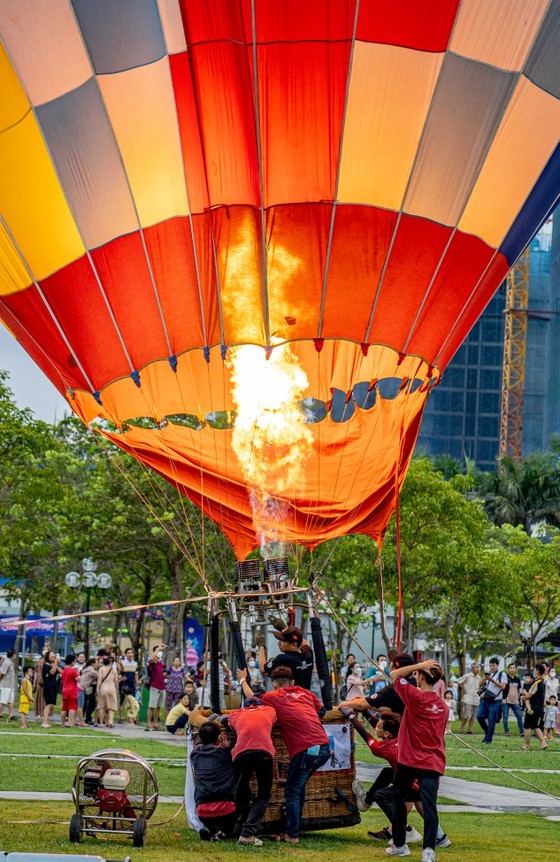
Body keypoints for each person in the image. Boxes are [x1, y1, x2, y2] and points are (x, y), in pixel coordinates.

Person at [239, 664, 329, 843]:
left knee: (292, 791)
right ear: (292, 681)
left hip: (304, 749)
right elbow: (323, 712)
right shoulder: (305, 693)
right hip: (324, 747)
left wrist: (243, 680)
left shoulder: (273, 696)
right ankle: (295, 828)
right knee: (298, 787)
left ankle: (292, 835)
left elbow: (252, 700)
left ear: (273, 683)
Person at [348, 709, 449, 849]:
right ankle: (440, 837)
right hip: (425, 780)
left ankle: (405, 830)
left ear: (387, 734)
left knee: (382, 795)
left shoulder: (386, 748)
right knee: (388, 772)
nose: (375, 727)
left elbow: (367, 736)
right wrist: (365, 712)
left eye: (378, 727)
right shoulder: (402, 735)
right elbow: (382, 727)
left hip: (415, 786)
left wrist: (351, 717)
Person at [386, 658, 448, 862]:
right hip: (432, 762)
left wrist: (418, 666)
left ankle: (400, 844)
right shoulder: (443, 706)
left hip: (410, 760)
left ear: (421, 677)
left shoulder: (414, 697)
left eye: (418, 674)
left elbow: (394, 675)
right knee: (429, 805)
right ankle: (428, 850)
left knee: (398, 797)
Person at [228, 694, 277, 845]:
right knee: (263, 794)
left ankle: (237, 826)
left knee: (240, 790)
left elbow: (230, 725)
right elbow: (274, 722)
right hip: (264, 752)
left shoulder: (235, 713)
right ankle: (247, 833)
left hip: (241, 752)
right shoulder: (269, 710)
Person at [190, 720, 236, 841]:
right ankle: (223, 832)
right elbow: (235, 735)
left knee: (212, 820)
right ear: (219, 737)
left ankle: (211, 829)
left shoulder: (195, 754)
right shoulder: (226, 753)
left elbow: (200, 743)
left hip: (202, 809)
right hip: (227, 808)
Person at [260, 626, 314, 691]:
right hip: (305, 698)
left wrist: (261, 646)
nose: (278, 643)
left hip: (288, 699)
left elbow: (262, 669)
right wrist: (285, 629)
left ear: (293, 645)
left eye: (282, 641)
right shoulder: (308, 653)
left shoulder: (283, 659)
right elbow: (302, 641)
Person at [476, 658, 506, 744]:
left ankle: (488, 739)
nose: (491, 667)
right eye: (490, 665)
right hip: (486, 698)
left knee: (491, 720)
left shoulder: (502, 674)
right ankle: (487, 732)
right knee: (479, 716)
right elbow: (480, 685)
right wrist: (485, 679)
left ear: (497, 665)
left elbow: (503, 687)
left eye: (493, 665)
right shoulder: (489, 673)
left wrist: (492, 680)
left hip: (495, 700)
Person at [521, 663, 548, 750]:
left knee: (527, 726)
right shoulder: (543, 682)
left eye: (535, 670)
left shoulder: (536, 683)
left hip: (532, 708)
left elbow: (529, 695)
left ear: (537, 671)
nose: (534, 671)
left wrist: (522, 697)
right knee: (535, 726)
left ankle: (527, 745)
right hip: (539, 708)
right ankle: (543, 742)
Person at [457, 663, 481, 734]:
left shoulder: (479, 677)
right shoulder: (467, 676)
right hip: (468, 697)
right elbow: (458, 681)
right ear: (472, 668)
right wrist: (463, 688)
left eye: (478, 667)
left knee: (473, 716)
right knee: (467, 715)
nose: (477, 669)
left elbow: (479, 686)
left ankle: (470, 729)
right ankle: (462, 728)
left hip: (476, 698)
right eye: (476, 667)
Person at [147, 644, 166, 730]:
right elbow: (151, 659)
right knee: (152, 706)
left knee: (158, 707)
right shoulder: (153, 662)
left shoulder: (161, 663)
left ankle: (155, 723)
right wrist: (158, 648)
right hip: (154, 686)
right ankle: (148, 724)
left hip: (162, 687)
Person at [96, 654, 119, 728]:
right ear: (110, 662)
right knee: (111, 706)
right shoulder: (114, 670)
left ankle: (101, 723)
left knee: (101, 706)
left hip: (103, 688)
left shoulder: (101, 669)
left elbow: (99, 679)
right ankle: (110, 721)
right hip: (112, 688)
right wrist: (117, 689)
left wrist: (97, 688)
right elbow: (116, 681)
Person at [502, 662, 524, 737]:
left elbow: (518, 690)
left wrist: (518, 698)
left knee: (519, 716)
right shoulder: (504, 679)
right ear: (508, 669)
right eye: (510, 668)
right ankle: (506, 731)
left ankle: (522, 732)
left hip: (515, 701)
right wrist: (503, 699)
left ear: (515, 670)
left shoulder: (517, 679)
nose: (512, 669)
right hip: (506, 701)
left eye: (513, 668)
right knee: (505, 717)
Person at [41, 650, 60, 728]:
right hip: (48, 687)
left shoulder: (53, 665)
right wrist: (56, 663)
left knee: (51, 704)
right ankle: (44, 722)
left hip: (53, 686)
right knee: (48, 704)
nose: (53, 657)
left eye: (54, 656)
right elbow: (51, 672)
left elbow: (60, 671)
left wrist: (56, 664)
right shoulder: (46, 665)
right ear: (47, 657)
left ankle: (47, 720)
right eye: (52, 656)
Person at [119, 647, 138, 721]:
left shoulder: (135, 663)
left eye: (131, 653)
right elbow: (119, 673)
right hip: (124, 684)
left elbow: (136, 675)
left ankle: (132, 717)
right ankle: (121, 717)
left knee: (132, 700)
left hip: (131, 684)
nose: (130, 654)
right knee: (123, 700)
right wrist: (120, 678)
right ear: (126, 654)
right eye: (128, 653)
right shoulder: (122, 663)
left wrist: (137, 685)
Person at [60, 654, 80, 728]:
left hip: (65, 690)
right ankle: (70, 722)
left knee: (64, 707)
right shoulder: (73, 671)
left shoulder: (64, 671)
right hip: (72, 691)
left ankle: (62, 723)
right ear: (72, 662)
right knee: (72, 707)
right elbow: (79, 679)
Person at [80, 658, 99, 725]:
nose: (98, 665)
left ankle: (81, 718)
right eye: (97, 663)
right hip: (87, 687)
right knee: (90, 703)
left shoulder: (86, 669)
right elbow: (100, 676)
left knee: (84, 703)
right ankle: (87, 719)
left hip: (83, 687)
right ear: (93, 664)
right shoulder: (92, 671)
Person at [0, 649, 16, 721]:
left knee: (10, 701)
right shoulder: (6, 662)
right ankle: (0, 714)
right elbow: (2, 673)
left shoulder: (11, 662)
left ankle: (11, 715)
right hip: (5, 685)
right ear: (13, 654)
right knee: (3, 700)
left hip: (10, 685)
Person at [33, 653, 45, 721]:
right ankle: (39, 713)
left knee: (42, 697)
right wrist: (34, 683)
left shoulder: (49, 661)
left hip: (45, 681)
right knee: (39, 697)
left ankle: (42, 713)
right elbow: (36, 673)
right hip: (40, 681)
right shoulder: (39, 662)